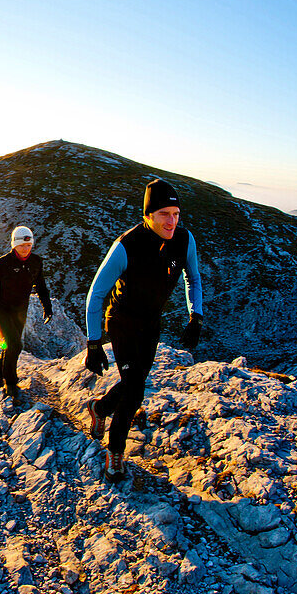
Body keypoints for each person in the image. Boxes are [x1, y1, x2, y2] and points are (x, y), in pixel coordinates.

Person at [84, 179, 204, 482]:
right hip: (122, 322)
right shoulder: (127, 246)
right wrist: (94, 344)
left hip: (151, 322)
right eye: (164, 213)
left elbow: (194, 278)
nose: (172, 221)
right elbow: (96, 293)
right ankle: (116, 451)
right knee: (135, 389)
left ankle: (100, 408)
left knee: (134, 380)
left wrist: (196, 316)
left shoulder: (184, 240)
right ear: (148, 215)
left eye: (176, 213)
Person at [0, 225, 53, 401]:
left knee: (12, 346)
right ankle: (10, 383)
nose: (25, 249)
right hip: (1, 308)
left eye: (28, 245)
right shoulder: (3, 263)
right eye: (21, 246)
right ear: (14, 245)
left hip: (20, 310)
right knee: (15, 345)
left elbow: (41, 286)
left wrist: (47, 307)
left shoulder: (36, 262)